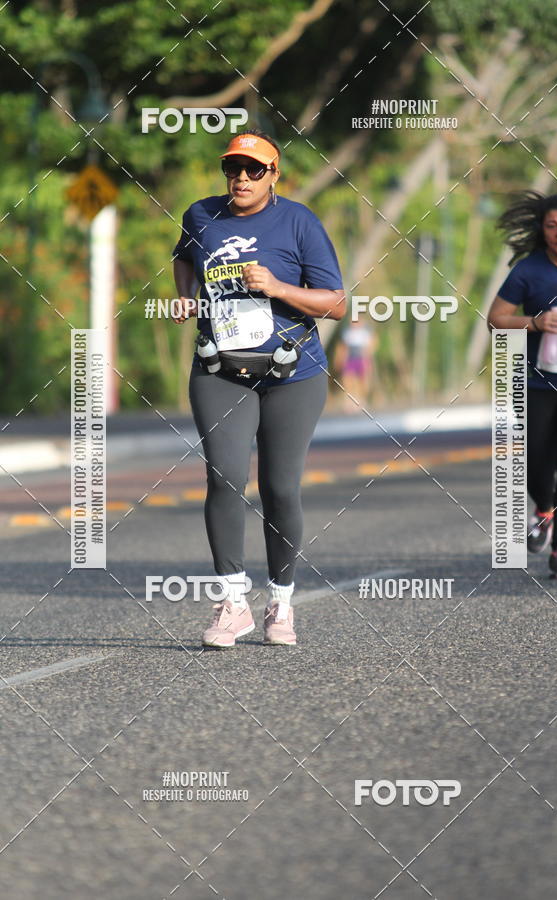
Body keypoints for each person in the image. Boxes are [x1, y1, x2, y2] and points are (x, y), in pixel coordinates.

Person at [172, 129, 346, 646]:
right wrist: (185, 297)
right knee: (224, 478)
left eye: (254, 170)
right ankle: (232, 604)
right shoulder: (202, 216)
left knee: (279, 487)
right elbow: (183, 257)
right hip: (220, 370)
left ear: (274, 175)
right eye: (233, 168)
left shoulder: (297, 221)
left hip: (292, 376)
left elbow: (336, 302)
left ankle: (281, 604)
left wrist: (277, 287)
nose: (241, 178)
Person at [488, 191, 557, 579]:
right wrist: (533, 323)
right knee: (536, 464)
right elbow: (496, 318)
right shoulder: (527, 271)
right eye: (551, 225)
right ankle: (543, 508)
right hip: (537, 382)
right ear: (543, 230)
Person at [334, 318, 375, 412]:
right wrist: (339, 358)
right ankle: (349, 402)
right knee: (348, 380)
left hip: (362, 358)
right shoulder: (347, 331)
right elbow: (342, 346)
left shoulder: (366, 331)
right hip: (350, 358)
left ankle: (361, 400)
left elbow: (372, 343)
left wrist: (368, 358)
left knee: (363, 381)